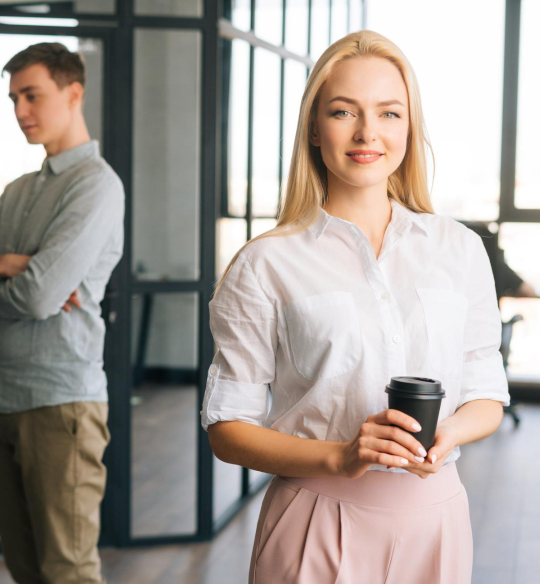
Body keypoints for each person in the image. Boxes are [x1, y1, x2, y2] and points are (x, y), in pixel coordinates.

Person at [203, 31, 509, 584]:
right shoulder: (265, 263)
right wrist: (339, 457)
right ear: (315, 128)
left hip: (436, 521)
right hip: (315, 519)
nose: (368, 133)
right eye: (344, 111)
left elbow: (488, 393)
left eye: (389, 113)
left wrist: (452, 434)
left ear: (409, 128)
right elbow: (227, 428)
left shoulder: (459, 249)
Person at [0, 42, 123, 584]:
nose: (20, 110)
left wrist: (2, 278)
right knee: (24, 570)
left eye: (32, 95)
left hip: (60, 402)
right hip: (0, 399)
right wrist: (4, 266)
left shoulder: (96, 186)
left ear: (73, 93)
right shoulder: (18, 191)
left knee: (67, 571)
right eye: (14, 98)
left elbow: (40, 296)